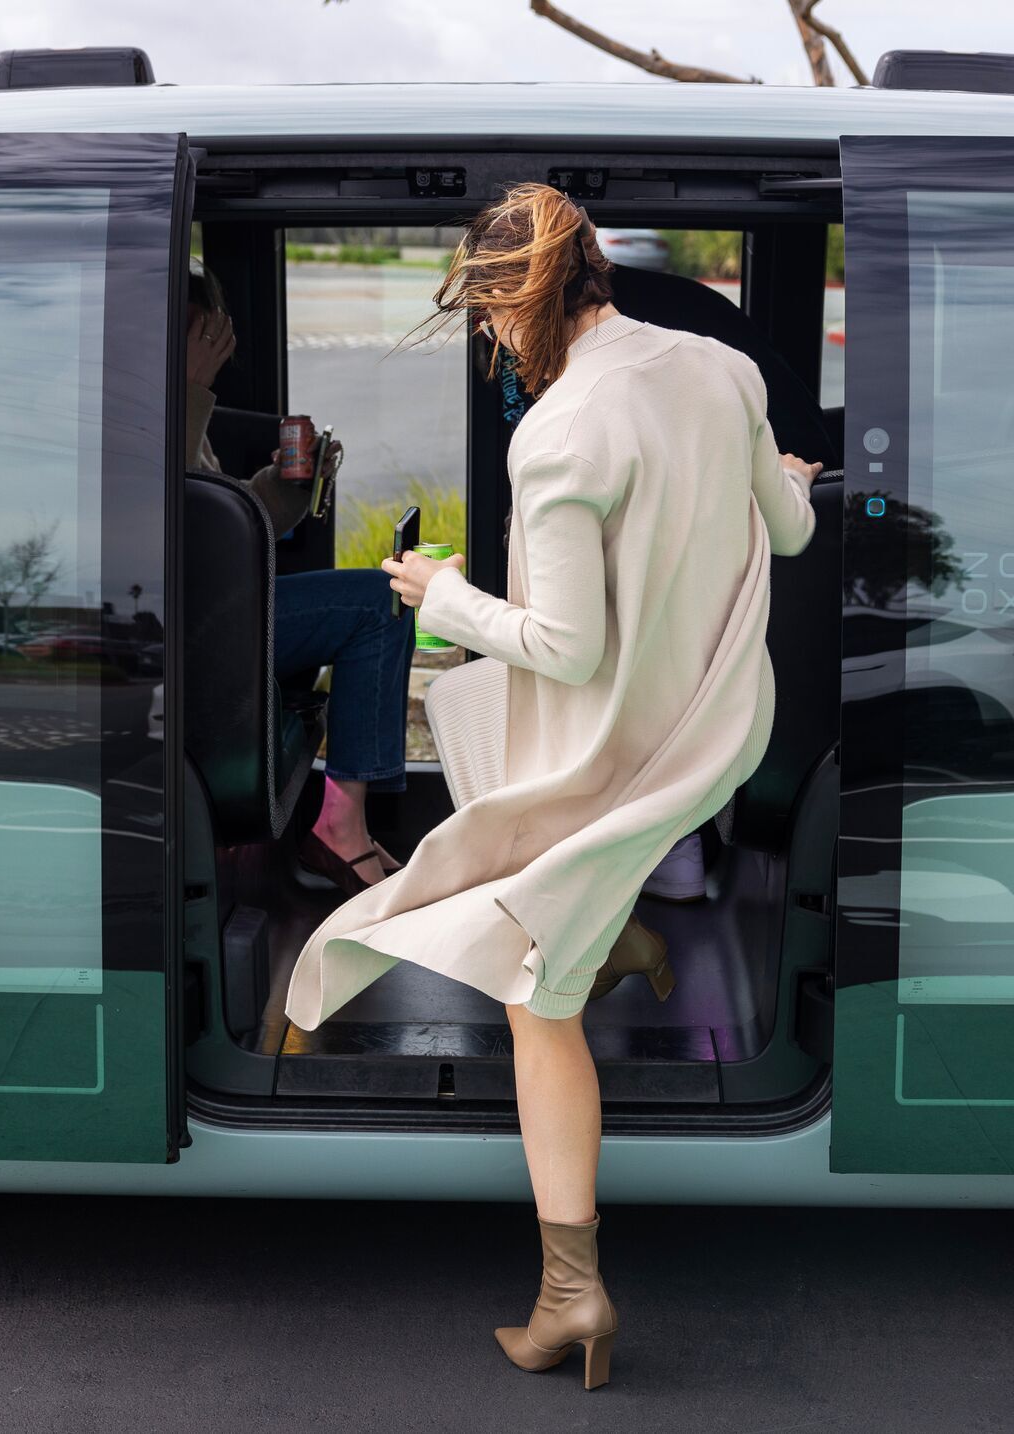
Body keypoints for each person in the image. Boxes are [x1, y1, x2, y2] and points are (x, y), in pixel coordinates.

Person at [281, 183, 820, 1388]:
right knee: (524, 850)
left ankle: (573, 1297)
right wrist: (775, 469)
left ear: (514, 306)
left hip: (618, 751)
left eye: (483, 319)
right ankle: (617, 934)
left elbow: (567, 649)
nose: (484, 341)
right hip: (718, 725)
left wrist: (442, 598)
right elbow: (787, 533)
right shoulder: (721, 368)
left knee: (536, 999)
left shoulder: (561, 432)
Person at [181, 267, 411, 894]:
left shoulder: (185, 409)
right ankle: (340, 823)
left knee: (380, 598)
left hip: (227, 608)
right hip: (196, 627)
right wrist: (190, 386)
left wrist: (289, 487)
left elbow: (228, 513)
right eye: (208, 329)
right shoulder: (155, 409)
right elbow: (181, 517)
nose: (221, 341)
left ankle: (345, 821)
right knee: (374, 603)